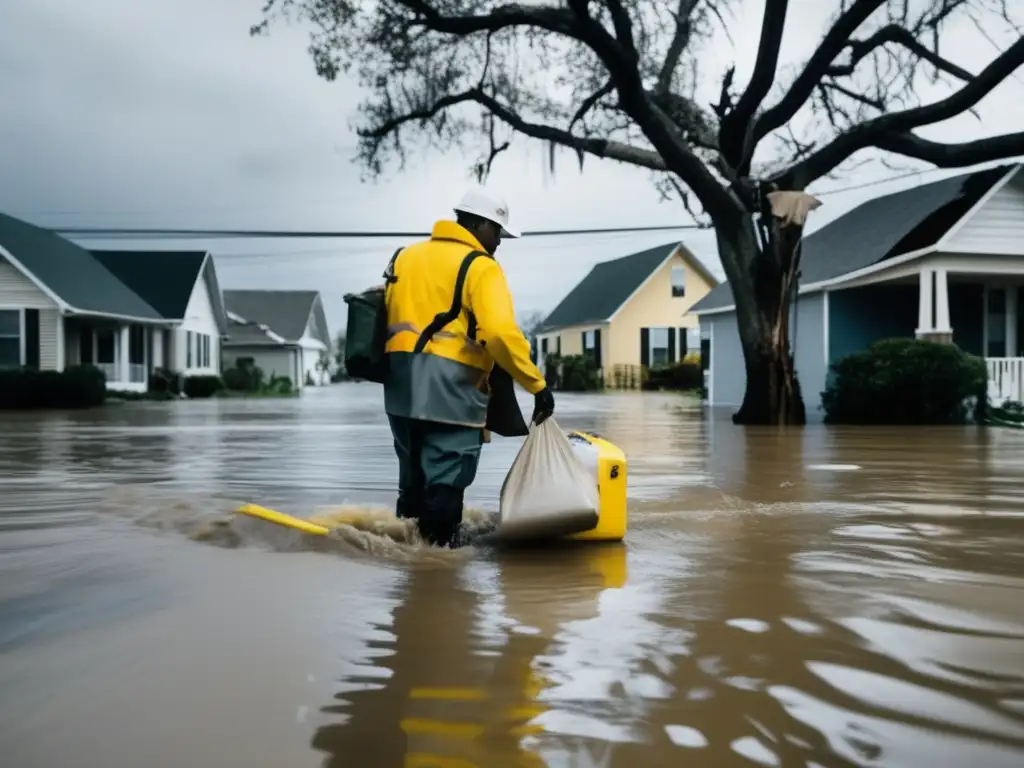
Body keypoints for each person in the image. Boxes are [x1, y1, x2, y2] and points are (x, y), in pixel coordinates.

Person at [383, 188, 555, 548]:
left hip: (399, 386)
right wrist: (537, 385)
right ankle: (439, 572)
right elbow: (499, 334)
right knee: (446, 477)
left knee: (413, 480)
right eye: (497, 232)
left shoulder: (405, 257)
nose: (499, 243)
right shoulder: (480, 266)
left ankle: (407, 567)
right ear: (478, 225)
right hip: (452, 389)